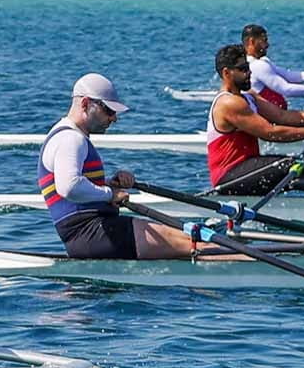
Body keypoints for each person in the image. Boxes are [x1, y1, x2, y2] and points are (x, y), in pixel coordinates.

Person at [38, 73, 195, 259]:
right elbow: (69, 187)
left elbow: (79, 184)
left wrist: (109, 184)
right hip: (93, 235)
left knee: (190, 240)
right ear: (85, 104)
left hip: (96, 233)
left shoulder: (69, 136)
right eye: (109, 111)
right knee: (196, 244)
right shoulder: (70, 139)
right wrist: (110, 194)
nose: (114, 118)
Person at [206, 43, 304, 197]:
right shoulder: (229, 103)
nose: (249, 73)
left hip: (248, 166)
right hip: (229, 177)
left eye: (248, 67)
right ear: (227, 73)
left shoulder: (249, 95)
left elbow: (282, 116)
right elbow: (270, 133)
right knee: (301, 168)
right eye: (243, 69)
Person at [241, 24, 304, 109]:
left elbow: (288, 75)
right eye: (264, 41)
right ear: (251, 41)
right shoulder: (257, 66)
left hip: (277, 116)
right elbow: (286, 89)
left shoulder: (263, 61)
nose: (267, 45)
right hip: (269, 120)